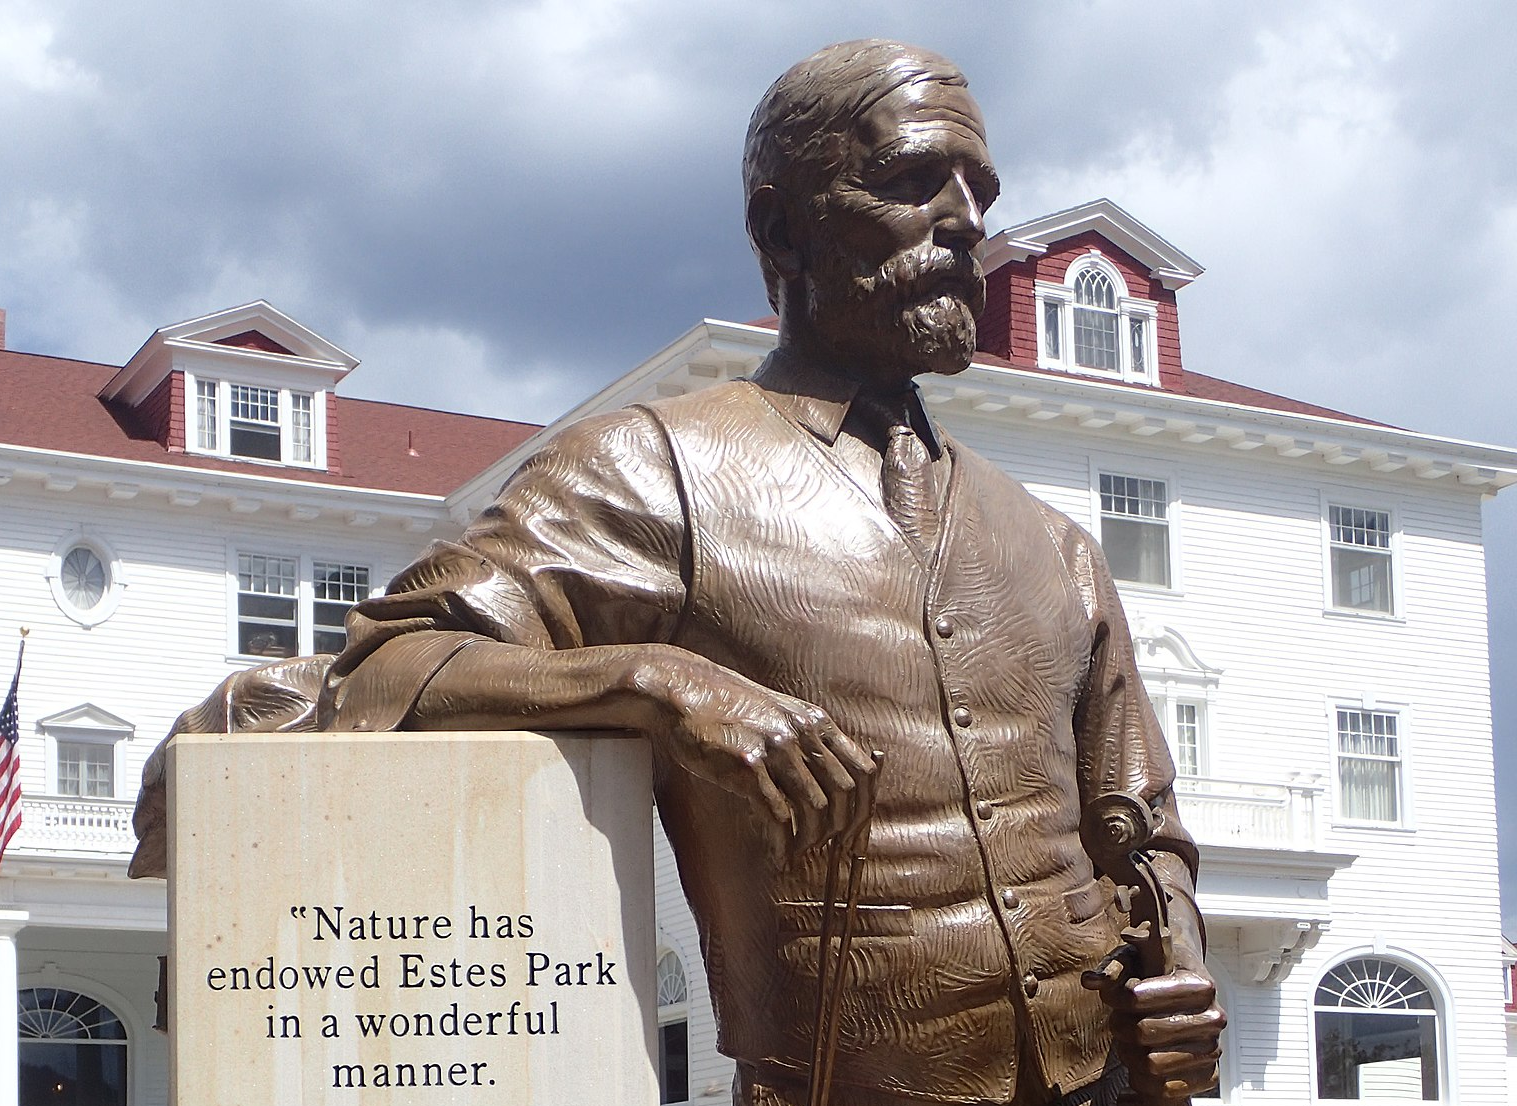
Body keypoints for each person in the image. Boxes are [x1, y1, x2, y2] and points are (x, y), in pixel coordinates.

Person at [133, 39, 1223, 1105]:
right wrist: (655, 683)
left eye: (978, 189)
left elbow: (1145, 831)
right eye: (907, 181)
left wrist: (1177, 981)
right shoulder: (651, 470)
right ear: (778, 228)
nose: (964, 222)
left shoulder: (1057, 546)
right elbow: (392, 663)